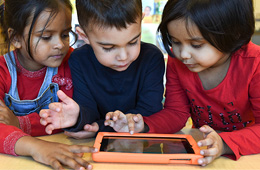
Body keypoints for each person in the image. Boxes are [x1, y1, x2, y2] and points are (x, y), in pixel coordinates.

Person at [104, 0, 260, 167]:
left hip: (247, 155)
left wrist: (224, 143)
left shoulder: (254, 63)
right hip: (203, 151)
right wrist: (143, 125)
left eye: (196, 45)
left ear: (234, 34)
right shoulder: (178, 61)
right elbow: (176, 113)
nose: (183, 54)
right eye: (176, 42)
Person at [39, 0, 165, 139]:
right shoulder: (79, 60)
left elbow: (150, 111)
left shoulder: (151, 58)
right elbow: (88, 111)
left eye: (132, 42)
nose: (123, 57)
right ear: (84, 36)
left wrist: (101, 128)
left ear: (140, 21)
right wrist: (78, 116)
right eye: (108, 48)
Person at [0, 0, 96, 170]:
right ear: (16, 38)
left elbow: (83, 112)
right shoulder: (2, 72)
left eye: (65, 34)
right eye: (46, 37)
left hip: (64, 147)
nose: (60, 44)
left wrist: (19, 124)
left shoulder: (74, 62)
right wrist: (36, 147)